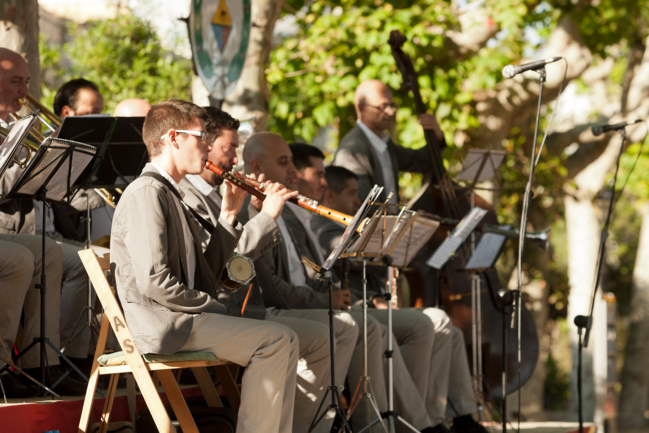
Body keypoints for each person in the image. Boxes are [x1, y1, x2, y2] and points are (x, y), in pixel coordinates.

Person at [111, 99, 298, 432]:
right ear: (173, 138)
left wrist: (228, 215)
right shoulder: (146, 192)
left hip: (181, 317)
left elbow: (206, 275)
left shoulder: (168, 193)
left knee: (287, 338)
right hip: (166, 324)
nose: (208, 146)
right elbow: (155, 281)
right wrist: (213, 307)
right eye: (201, 137)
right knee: (276, 340)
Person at [242, 132, 436, 432]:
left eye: (293, 163)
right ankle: (377, 426)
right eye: (285, 163)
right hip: (275, 312)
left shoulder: (291, 215)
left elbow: (309, 274)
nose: (292, 172)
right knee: (361, 328)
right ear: (256, 166)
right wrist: (329, 300)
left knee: (401, 325)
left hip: (311, 303)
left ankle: (405, 423)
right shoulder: (258, 212)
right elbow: (274, 288)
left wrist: (339, 295)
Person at [180, 106, 344, 432]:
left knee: (324, 334)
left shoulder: (221, 194)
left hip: (245, 309)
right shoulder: (188, 199)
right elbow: (225, 273)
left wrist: (258, 215)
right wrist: (264, 218)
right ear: (205, 146)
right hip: (218, 313)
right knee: (285, 338)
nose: (234, 159)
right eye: (230, 149)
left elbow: (246, 266)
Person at [313, 164, 488, 433]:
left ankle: (456, 417)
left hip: (364, 303)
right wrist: (372, 298)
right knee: (430, 322)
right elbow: (337, 265)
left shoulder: (345, 223)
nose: (358, 201)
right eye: (352, 194)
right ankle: (422, 423)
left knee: (449, 332)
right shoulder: (324, 226)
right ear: (330, 197)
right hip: (349, 308)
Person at [0, 47, 80, 397]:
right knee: (22, 258)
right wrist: (29, 167)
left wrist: (55, 162)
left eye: (27, 81)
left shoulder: (13, 125)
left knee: (48, 254)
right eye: (16, 81)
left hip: (27, 233)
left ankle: (43, 362)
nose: (25, 91)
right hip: (7, 232)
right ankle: (3, 365)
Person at [332, 79, 441, 205]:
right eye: (383, 106)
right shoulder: (352, 150)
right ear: (361, 108)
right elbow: (363, 204)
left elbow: (419, 161)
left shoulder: (384, 141)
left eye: (392, 105)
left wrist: (437, 138)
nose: (391, 112)